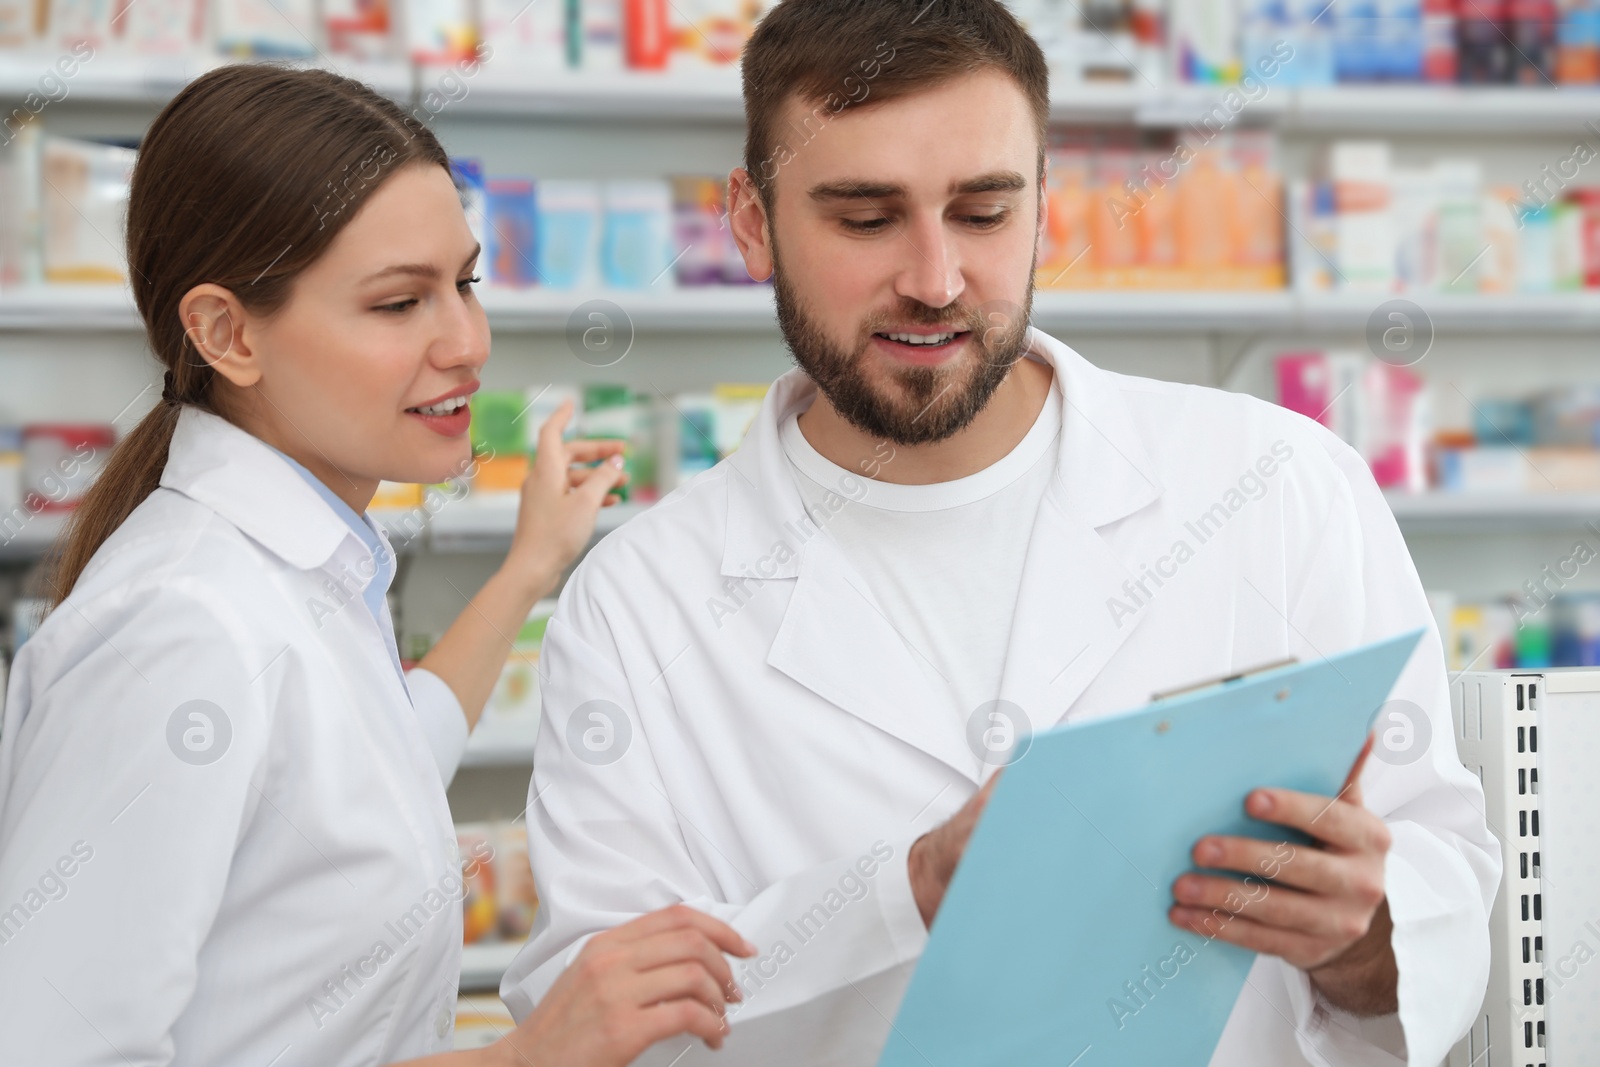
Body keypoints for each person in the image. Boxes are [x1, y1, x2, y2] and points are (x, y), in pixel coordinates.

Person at [502, 2, 1501, 1064]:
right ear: (751, 222)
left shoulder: (1282, 484)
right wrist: (907, 890)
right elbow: (595, 1020)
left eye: (981, 213)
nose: (934, 280)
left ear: (1041, 211)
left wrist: (1359, 935)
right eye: (864, 217)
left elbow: (1445, 891)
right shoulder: (640, 605)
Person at [0, 64, 754, 1067]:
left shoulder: (297, 570)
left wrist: (531, 562)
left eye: (466, 282)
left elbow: (378, 762)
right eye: (400, 303)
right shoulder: (183, 626)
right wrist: (522, 1057)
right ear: (227, 333)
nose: (468, 342)